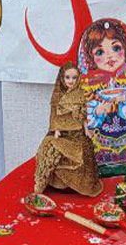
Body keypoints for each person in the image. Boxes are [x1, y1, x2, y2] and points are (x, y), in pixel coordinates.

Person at [78, 18, 126, 174]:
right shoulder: (89, 84)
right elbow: (84, 116)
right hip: (100, 150)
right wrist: (98, 110)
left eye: (115, 48)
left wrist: (125, 100)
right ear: (89, 58)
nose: (109, 56)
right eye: (100, 52)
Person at [34, 62, 102, 197]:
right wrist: (56, 129)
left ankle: (79, 185)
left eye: (74, 78)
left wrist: (86, 128)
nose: (71, 81)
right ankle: (58, 184)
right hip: (62, 132)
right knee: (53, 150)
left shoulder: (80, 94)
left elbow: (83, 115)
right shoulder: (57, 95)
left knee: (83, 153)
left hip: (78, 132)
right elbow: (54, 115)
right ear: (62, 77)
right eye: (68, 77)